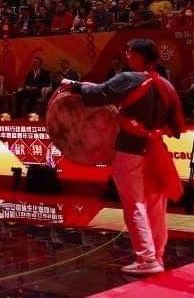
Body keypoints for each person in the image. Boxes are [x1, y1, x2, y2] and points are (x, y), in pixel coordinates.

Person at [63, 38, 185, 276]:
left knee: (135, 204)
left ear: (138, 56)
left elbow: (98, 94)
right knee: (156, 205)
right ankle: (157, 256)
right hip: (156, 151)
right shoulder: (166, 85)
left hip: (130, 151)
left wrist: (74, 85)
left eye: (130, 52)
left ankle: (146, 258)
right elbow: (176, 126)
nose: (127, 56)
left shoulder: (128, 79)